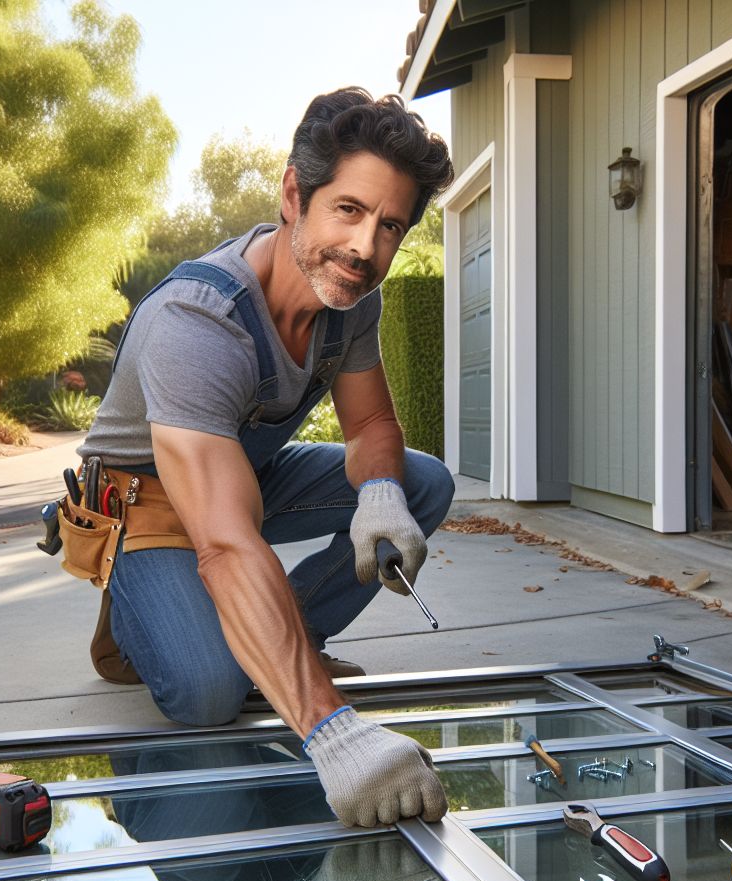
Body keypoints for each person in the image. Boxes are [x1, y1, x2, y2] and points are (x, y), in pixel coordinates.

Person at [75, 87, 455, 828]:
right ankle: (139, 619)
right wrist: (331, 730)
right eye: (348, 210)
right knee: (210, 695)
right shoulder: (198, 321)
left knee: (421, 483)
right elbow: (224, 541)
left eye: (391, 226)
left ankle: (288, 639)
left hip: (235, 476)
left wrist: (378, 493)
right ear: (294, 194)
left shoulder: (350, 297)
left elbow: (371, 418)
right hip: (143, 501)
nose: (366, 248)